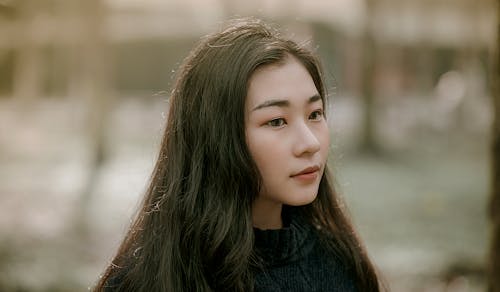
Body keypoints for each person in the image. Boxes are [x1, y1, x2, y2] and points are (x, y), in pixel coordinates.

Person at [94, 17, 383, 291]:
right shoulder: (150, 279)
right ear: (216, 135)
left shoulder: (340, 264)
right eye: (276, 121)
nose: (310, 143)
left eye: (315, 114)